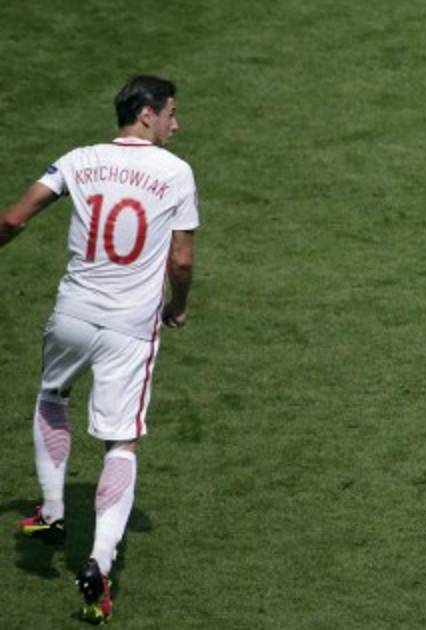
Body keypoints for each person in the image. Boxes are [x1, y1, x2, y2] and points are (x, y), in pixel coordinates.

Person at [1, 75, 198, 624]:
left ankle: (52, 511)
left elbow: (13, 219)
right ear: (146, 114)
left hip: (72, 314)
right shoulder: (176, 172)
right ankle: (99, 563)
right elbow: (182, 261)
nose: (176, 123)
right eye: (171, 113)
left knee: (52, 396)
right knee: (121, 441)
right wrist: (178, 306)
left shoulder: (78, 159)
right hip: (129, 328)